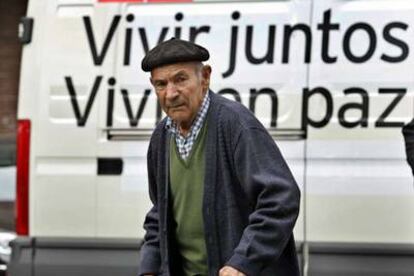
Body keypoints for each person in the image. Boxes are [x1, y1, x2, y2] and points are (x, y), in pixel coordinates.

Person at [138, 38, 301, 276]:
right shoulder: (161, 138)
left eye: (180, 79)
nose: (171, 93)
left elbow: (280, 198)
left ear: (204, 77)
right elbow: (159, 213)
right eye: (161, 84)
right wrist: (150, 267)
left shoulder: (236, 125)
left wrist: (242, 263)